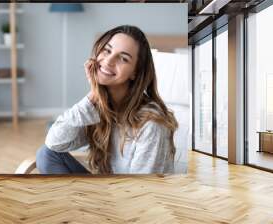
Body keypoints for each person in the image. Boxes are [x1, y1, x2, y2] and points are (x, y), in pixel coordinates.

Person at [36, 25, 178, 174]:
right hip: (104, 191)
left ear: (134, 73)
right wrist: (94, 95)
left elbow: (143, 189)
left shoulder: (151, 125)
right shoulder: (98, 107)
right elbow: (54, 142)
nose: (109, 61)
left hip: (130, 195)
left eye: (123, 58)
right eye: (107, 50)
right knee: (46, 155)